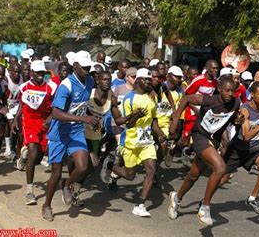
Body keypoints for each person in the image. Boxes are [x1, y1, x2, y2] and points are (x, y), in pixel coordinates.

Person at [167, 77, 242, 226]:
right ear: (219, 89)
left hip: (213, 141)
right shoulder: (209, 101)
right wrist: (175, 120)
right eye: (227, 90)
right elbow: (186, 99)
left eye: (232, 91)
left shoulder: (236, 103)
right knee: (220, 168)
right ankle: (205, 207)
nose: (230, 94)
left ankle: (177, 197)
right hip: (200, 136)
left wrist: (236, 120)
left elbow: (231, 118)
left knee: (193, 175)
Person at [101, 68, 166, 217]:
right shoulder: (129, 99)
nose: (149, 82)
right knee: (130, 176)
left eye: (150, 79)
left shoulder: (151, 97)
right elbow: (128, 125)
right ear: (138, 81)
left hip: (146, 141)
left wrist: (160, 134)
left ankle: (140, 204)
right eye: (146, 79)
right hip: (130, 141)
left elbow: (153, 119)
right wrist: (135, 115)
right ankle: (110, 165)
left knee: (151, 169)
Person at [41, 55, 96, 221]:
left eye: (89, 67)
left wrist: (89, 115)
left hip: (76, 131)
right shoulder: (66, 85)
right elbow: (56, 113)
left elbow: (81, 107)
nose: (87, 70)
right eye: (84, 67)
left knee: (83, 167)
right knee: (56, 173)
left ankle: (66, 185)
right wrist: (83, 118)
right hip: (59, 134)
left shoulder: (90, 82)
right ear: (76, 65)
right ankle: (47, 205)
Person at [220, 81, 259, 214]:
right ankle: (205, 200)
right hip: (237, 148)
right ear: (251, 95)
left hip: (253, 147)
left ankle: (252, 198)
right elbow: (246, 136)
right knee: (222, 179)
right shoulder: (245, 110)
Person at [13, 60, 57, 205]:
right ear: (31, 73)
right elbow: (22, 104)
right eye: (37, 73)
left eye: (42, 73)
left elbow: (55, 108)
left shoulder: (51, 87)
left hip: (44, 124)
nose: (40, 76)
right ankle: (29, 191)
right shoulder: (24, 87)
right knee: (33, 152)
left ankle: (24, 157)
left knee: (38, 156)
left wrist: (50, 119)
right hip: (29, 122)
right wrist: (16, 120)